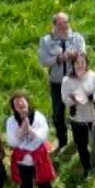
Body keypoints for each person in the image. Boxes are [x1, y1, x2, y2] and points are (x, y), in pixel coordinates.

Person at [3, 91, 61, 188]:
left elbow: (42, 137)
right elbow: (12, 141)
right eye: (16, 104)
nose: (20, 105)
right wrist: (21, 130)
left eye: (22, 101)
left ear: (27, 102)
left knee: (46, 187)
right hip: (23, 162)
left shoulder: (39, 116)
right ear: (14, 107)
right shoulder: (11, 121)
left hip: (38, 159)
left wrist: (30, 130)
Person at [37, 14, 86, 154]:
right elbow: (44, 61)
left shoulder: (77, 38)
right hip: (57, 83)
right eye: (60, 25)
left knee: (77, 112)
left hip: (75, 81)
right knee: (58, 115)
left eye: (66, 23)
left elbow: (83, 55)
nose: (64, 27)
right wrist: (59, 58)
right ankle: (62, 140)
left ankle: (79, 141)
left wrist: (74, 55)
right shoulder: (46, 40)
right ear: (54, 25)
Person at [59, 52, 95, 174]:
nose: (80, 65)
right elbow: (65, 99)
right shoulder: (67, 80)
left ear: (86, 63)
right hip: (78, 118)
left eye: (83, 62)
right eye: (77, 63)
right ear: (72, 64)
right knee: (81, 145)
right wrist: (74, 99)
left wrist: (92, 97)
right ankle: (87, 167)